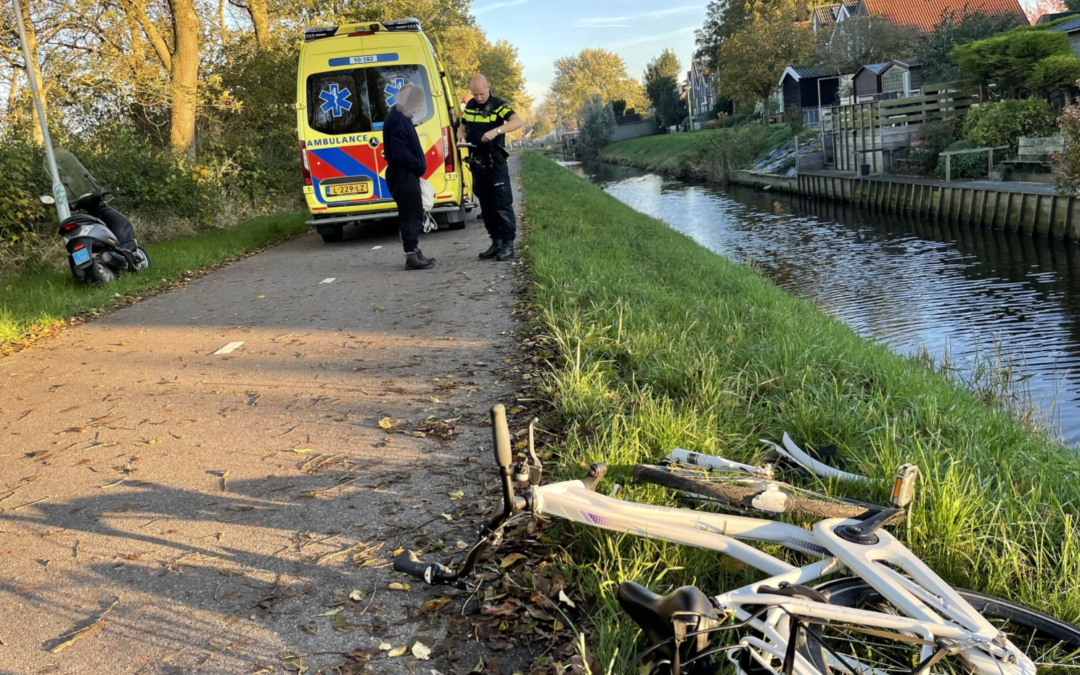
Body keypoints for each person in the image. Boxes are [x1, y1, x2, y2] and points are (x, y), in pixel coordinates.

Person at [459, 74, 524, 261]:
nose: (479, 97)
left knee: (502, 204)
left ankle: (508, 244)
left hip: (495, 162)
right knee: (486, 206)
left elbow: (517, 122)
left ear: (488, 87)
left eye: (481, 93)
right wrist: (461, 138)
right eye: (475, 94)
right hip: (477, 163)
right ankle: (495, 243)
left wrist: (496, 131)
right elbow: (462, 127)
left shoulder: (498, 105)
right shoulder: (470, 106)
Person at [383, 83, 435, 270]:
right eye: (417, 101)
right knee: (410, 214)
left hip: (403, 173)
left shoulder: (400, 117)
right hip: (403, 173)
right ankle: (411, 255)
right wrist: (418, 164)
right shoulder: (398, 119)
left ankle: (413, 251)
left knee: (412, 212)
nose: (420, 105)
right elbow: (399, 151)